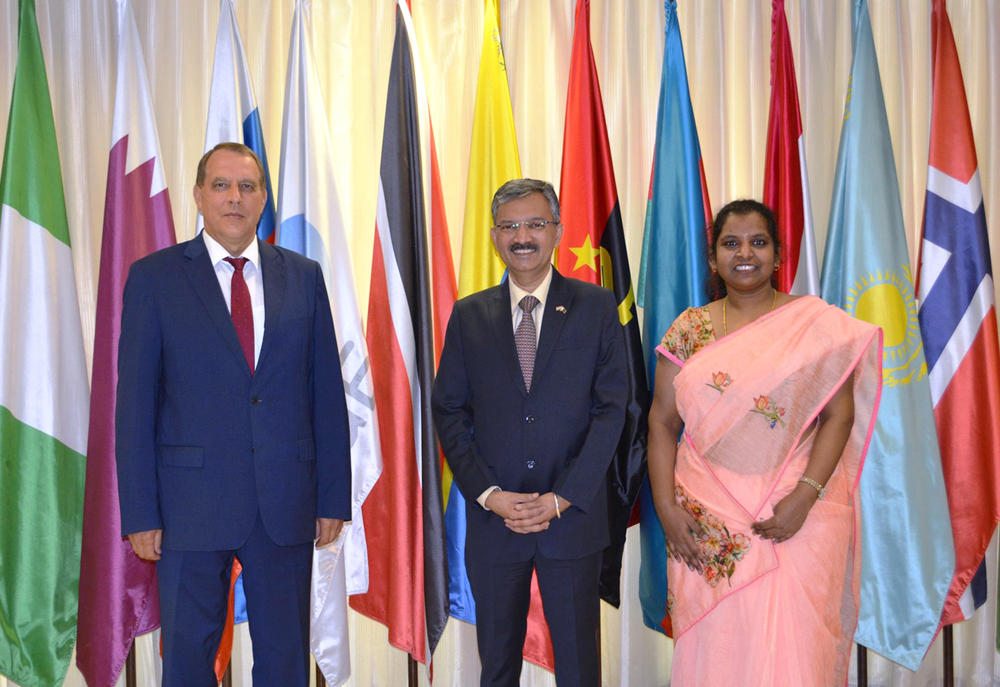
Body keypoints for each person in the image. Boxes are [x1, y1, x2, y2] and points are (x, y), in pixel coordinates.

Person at [115, 142, 351, 686]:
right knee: (187, 659)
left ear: (263, 197)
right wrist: (140, 512)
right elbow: (135, 406)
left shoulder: (304, 276)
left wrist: (332, 497)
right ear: (198, 196)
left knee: (285, 658)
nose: (234, 198)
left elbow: (325, 396)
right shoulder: (155, 278)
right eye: (220, 185)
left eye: (247, 187)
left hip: (285, 502)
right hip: (187, 506)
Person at [647, 199, 882, 686]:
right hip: (707, 518)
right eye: (731, 243)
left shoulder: (812, 323)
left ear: (778, 256)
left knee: (794, 653)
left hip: (796, 511)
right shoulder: (691, 329)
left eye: (759, 242)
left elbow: (840, 414)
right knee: (719, 648)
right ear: (714, 259)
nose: (745, 253)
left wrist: (804, 496)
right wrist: (667, 509)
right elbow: (661, 423)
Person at [432, 178, 627, 687]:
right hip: (496, 523)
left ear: (558, 231)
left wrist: (564, 496)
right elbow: (449, 411)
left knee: (580, 668)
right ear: (495, 237)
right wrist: (490, 495)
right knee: (496, 667)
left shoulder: (598, 306)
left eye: (536, 224)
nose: (523, 236)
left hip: (573, 519)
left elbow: (612, 411)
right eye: (510, 225)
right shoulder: (469, 314)